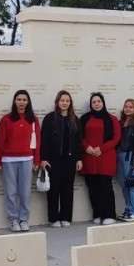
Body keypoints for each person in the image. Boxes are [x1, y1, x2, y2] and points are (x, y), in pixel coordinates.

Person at [0, 90, 41, 232]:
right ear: (15, 101)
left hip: (27, 159)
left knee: (25, 192)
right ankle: (13, 220)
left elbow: (37, 142)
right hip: (8, 160)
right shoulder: (6, 119)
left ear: (28, 102)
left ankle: (24, 220)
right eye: (19, 99)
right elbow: (0, 141)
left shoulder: (33, 120)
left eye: (24, 100)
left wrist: (36, 160)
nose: (21, 102)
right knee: (11, 192)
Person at [41, 91, 82, 227]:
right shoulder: (50, 118)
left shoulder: (74, 119)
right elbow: (44, 140)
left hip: (70, 160)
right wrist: (43, 158)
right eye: (62, 100)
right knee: (53, 190)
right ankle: (53, 218)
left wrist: (79, 159)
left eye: (67, 101)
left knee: (67, 189)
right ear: (57, 102)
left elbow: (78, 142)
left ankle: (66, 217)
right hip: (53, 160)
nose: (65, 103)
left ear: (70, 103)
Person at [80, 93, 121, 225]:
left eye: (99, 101)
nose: (96, 104)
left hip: (106, 157)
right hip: (89, 157)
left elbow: (116, 138)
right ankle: (97, 214)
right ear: (91, 105)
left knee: (106, 188)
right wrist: (87, 148)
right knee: (93, 188)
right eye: (94, 102)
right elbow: (80, 137)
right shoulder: (84, 118)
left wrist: (101, 149)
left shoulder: (112, 119)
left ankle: (109, 215)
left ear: (103, 103)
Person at [117, 99, 134, 220]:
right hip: (121, 156)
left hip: (132, 156)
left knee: (133, 185)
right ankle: (128, 209)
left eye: (131, 107)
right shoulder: (121, 122)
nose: (128, 109)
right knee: (125, 185)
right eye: (126, 106)